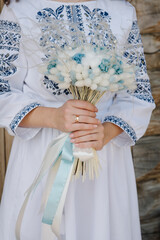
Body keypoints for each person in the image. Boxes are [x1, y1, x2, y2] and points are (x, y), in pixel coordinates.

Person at [0, 0, 155, 239]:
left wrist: (106, 131)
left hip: (103, 157)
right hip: (41, 155)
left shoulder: (122, 11)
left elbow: (138, 94)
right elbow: (3, 91)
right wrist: (53, 116)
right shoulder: (19, 11)